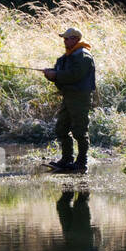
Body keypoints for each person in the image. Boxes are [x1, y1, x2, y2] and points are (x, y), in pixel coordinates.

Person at [43, 27, 95, 173]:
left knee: (80, 131)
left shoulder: (84, 55)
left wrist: (56, 75)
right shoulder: (67, 56)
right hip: (68, 97)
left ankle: (81, 163)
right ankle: (67, 159)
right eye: (64, 39)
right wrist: (51, 74)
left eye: (67, 38)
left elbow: (74, 75)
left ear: (75, 39)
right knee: (61, 129)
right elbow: (63, 74)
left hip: (80, 97)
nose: (64, 41)